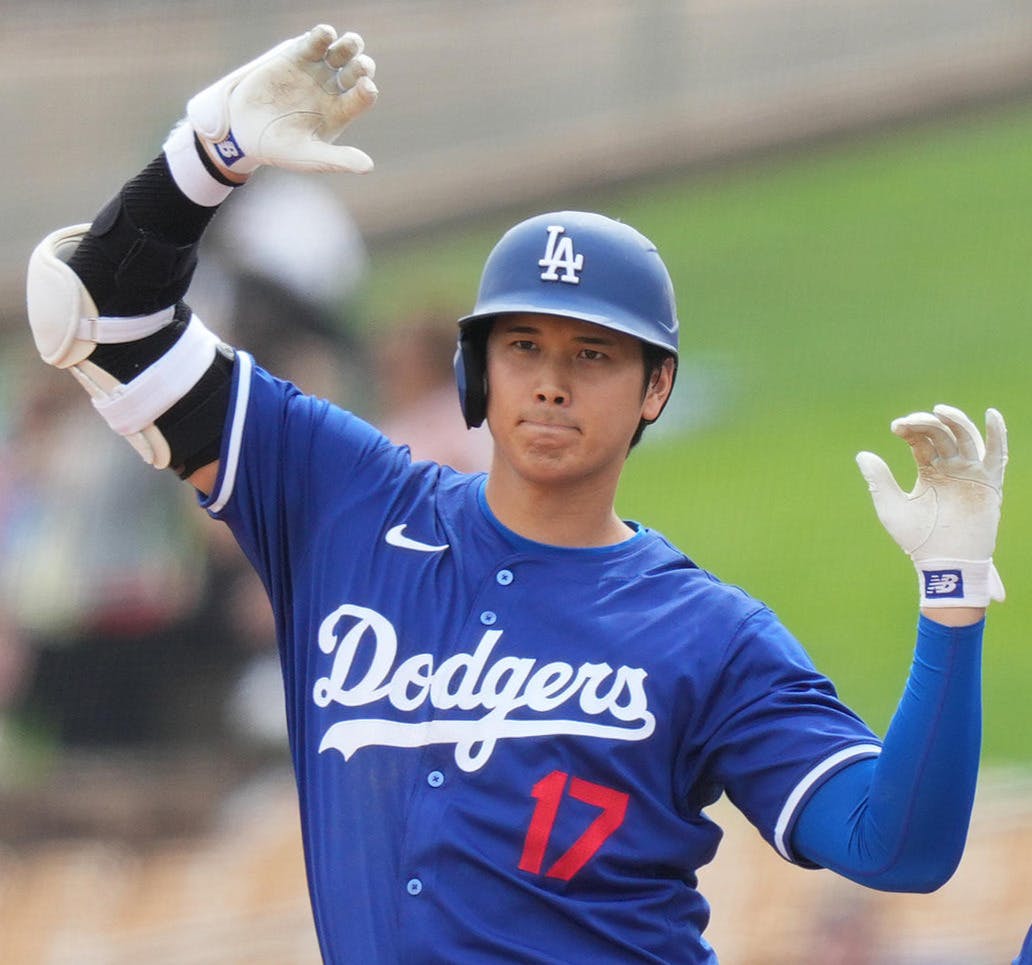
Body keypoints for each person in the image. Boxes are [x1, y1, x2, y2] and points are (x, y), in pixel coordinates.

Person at [24, 25, 1008, 964]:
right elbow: (100, 314)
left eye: (594, 354)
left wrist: (953, 593)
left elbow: (898, 845)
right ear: (475, 370)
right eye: (523, 345)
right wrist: (211, 149)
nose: (551, 382)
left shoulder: (707, 635)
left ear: (656, 387)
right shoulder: (343, 502)